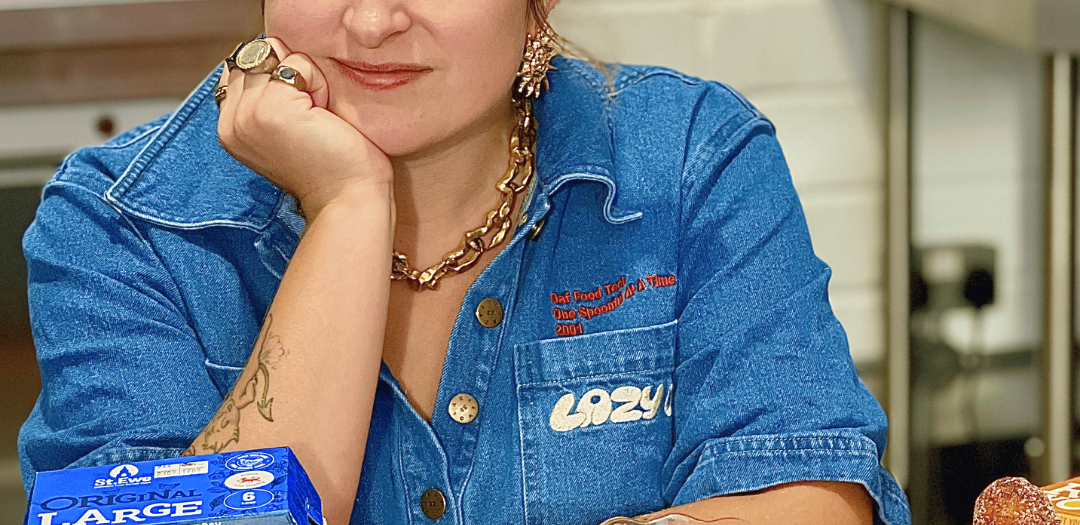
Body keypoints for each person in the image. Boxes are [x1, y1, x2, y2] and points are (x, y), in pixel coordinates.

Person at [18, 0, 910, 524]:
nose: (372, 22)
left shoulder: (689, 159)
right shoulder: (120, 220)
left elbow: (809, 496)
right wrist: (347, 208)